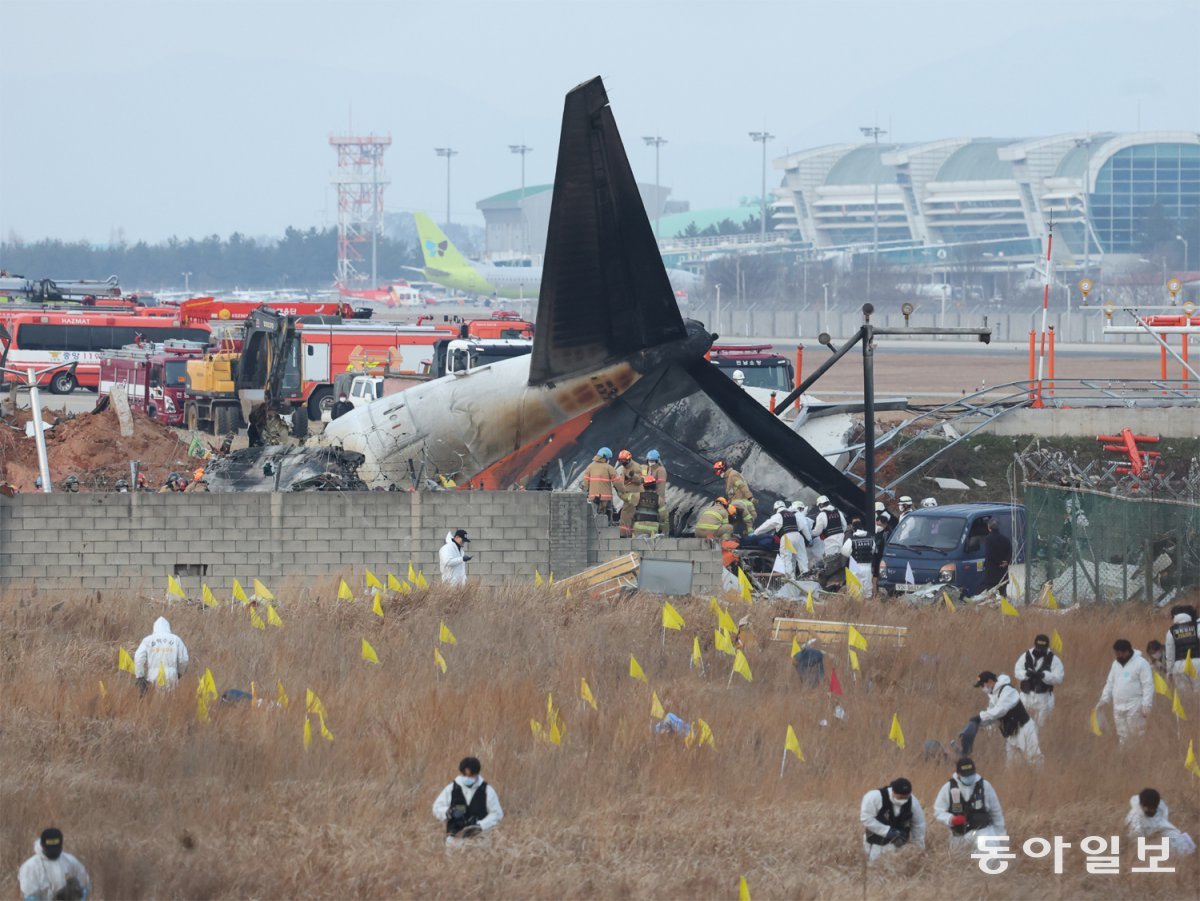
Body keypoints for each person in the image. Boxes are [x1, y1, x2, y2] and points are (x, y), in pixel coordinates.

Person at [933, 757, 1004, 852]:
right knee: (958, 862)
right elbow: (938, 812)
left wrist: (1001, 835)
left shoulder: (985, 786)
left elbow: (996, 812)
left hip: (983, 831)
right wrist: (951, 819)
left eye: (971, 774)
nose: (968, 777)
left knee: (989, 854)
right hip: (959, 835)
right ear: (958, 774)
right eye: (965, 775)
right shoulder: (948, 788)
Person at [972, 670, 1042, 764]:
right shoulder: (993, 696)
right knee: (1012, 767)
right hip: (1010, 735)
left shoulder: (1007, 690)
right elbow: (992, 716)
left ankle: (1039, 778)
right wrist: (978, 724)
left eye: (982, 685)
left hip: (1024, 730)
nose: (982, 688)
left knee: (1035, 759)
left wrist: (980, 716)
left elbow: (1000, 710)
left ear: (989, 681)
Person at [432, 756, 503, 846]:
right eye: (465, 775)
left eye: (471, 775)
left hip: (479, 842)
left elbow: (497, 814)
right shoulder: (451, 788)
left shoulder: (487, 791)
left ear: (477, 774)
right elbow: (436, 808)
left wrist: (480, 825)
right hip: (454, 843)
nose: (467, 778)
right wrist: (448, 811)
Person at [1097, 639, 1154, 744]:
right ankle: (1124, 757)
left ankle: (1138, 757)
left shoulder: (1141, 663)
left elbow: (1148, 685)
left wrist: (1147, 704)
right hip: (1118, 705)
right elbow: (1110, 683)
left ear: (1127, 651)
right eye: (1116, 653)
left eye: (1119, 654)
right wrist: (1104, 699)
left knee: (1136, 733)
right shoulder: (1115, 664)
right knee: (1122, 735)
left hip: (1135, 704)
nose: (1118, 656)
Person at [859, 777, 926, 863]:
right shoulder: (874, 797)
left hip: (899, 845)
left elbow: (918, 825)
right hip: (875, 843)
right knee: (875, 869)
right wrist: (887, 832)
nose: (903, 800)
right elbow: (866, 819)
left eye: (906, 797)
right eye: (900, 797)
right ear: (893, 791)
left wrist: (919, 848)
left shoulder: (913, 802)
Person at [18, 828, 91, 901]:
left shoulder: (71, 862)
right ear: (42, 845)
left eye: (56, 849)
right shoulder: (30, 867)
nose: (53, 852)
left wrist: (81, 896)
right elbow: (29, 895)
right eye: (49, 849)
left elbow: (84, 884)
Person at [1013, 633, 1065, 728]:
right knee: (1021, 724)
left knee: (1042, 727)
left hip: (1043, 698)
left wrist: (1044, 675)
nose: (1039, 650)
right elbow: (1017, 671)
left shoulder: (1054, 659)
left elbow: (1059, 678)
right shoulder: (1026, 655)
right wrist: (1026, 674)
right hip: (1025, 696)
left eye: (1042, 648)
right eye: (1038, 647)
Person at [750, 499, 812, 577]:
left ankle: (789, 577)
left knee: (787, 558)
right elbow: (803, 526)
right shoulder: (794, 514)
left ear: (775, 509)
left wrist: (755, 533)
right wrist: (809, 539)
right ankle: (805, 574)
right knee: (801, 556)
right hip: (798, 536)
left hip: (787, 537)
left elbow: (766, 526)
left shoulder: (778, 516)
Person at [1124, 789, 1195, 855]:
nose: (1152, 811)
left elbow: (1164, 822)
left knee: (1183, 844)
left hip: (1164, 836)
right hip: (1151, 844)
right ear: (1142, 805)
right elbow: (1136, 842)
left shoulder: (1160, 807)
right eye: (1149, 809)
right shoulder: (1134, 818)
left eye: (1154, 809)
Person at [133, 616, 189, 693]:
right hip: (171, 675)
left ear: (154, 627)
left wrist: (140, 676)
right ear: (168, 627)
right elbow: (183, 659)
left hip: (153, 675)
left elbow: (138, 658)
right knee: (170, 701)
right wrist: (179, 673)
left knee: (154, 701)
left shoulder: (148, 640)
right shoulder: (176, 639)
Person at [712, 459, 755, 527]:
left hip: (739, 503)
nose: (718, 474)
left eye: (718, 471)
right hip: (735, 503)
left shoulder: (733, 474)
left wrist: (750, 497)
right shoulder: (728, 477)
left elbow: (742, 486)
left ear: (723, 469)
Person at [582, 447, 621, 516]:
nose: (608, 460)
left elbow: (586, 482)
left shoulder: (589, 467)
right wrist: (622, 490)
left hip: (593, 497)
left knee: (595, 513)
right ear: (605, 457)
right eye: (608, 458)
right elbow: (617, 482)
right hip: (605, 498)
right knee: (604, 514)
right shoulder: (609, 468)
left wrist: (587, 492)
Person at [1164, 604, 1199, 681]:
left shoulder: (1171, 631)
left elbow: (1170, 655)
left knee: (1183, 692)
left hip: (1179, 666)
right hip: (1197, 663)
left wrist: (1169, 672)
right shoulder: (1197, 626)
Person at [979, 519, 1012, 594]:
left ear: (989, 527)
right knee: (1002, 593)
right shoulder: (1005, 539)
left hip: (991, 573)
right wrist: (1006, 561)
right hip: (1003, 572)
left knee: (991, 595)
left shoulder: (988, 539)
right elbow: (1010, 552)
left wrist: (998, 562)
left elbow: (990, 554)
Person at [841, 518, 876, 588]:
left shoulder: (851, 539)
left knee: (855, 590)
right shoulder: (870, 538)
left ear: (853, 528)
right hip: (867, 566)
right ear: (862, 527)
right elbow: (873, 550)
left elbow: (844, 552)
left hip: (855, 566)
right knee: (867, 589)